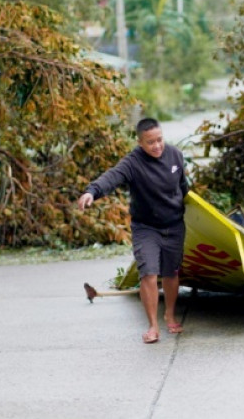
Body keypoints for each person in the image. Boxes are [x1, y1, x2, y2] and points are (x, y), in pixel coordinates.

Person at [77, 118, 189, 344]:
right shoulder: (133, 163)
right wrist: (92, 192)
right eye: (150, 142)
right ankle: (153, 326)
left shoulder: (175, 155)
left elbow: (184, 188)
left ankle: (169, 314)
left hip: (174, 225)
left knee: (170, 273)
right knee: (148, 272)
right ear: (140, 143)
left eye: (159, 140)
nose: (157, 146)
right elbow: (112, 177)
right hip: (146, 227)